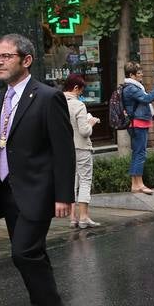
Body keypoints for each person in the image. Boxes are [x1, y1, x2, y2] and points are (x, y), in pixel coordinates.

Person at [0, 34, 76, 306]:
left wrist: (63, 195)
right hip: (7, 192)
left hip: (37, 191)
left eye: (7, 56)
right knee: (31, 256)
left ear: (26, 60)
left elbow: (63, 151)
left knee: (24, 253)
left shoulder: (46, 97)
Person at [121, 61, 154, 195]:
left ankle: (135, 185)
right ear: (131, 75)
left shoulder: (132, 86)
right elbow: (148, 99)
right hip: (137, 123)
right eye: (139, 73)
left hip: (137, 122)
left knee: (138, 153)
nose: (142, 75)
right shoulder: (131, 88)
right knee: (140, 153)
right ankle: (139, 184)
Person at [63, 75, 99, 227]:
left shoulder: (57, 102)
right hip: (81, 147)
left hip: (65, 148)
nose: (81, 94)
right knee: (85, 180)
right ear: (76, 88)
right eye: (81, 91)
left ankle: (72, 218)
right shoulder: (78, 105)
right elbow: (84, 131)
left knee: (71, 182)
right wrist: (91, 122)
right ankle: (84, 217)